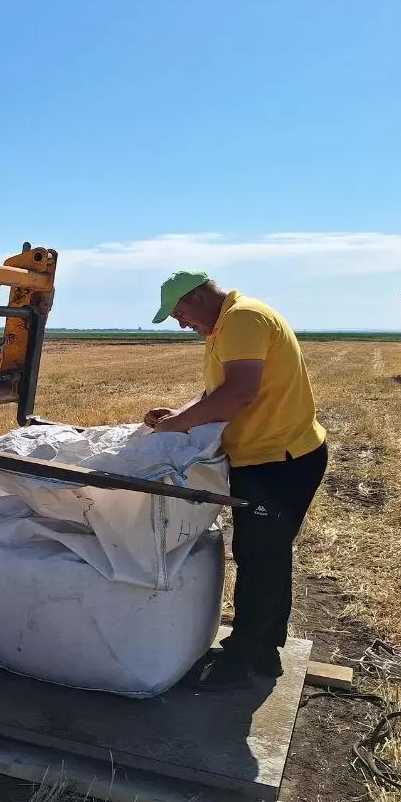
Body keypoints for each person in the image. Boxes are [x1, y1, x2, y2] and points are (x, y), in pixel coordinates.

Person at [143, 271, 328, 690]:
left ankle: (240, 662)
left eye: (180, 313)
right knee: (267, 553)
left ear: (198, 297)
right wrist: (180, 415)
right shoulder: (226, 324)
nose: (182, 324)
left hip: (278, 461)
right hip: (268, 458)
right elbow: (218, 393)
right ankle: (264, 653)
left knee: (259, 556)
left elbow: (239, 394)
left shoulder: (243, 319)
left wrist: (177, 426)